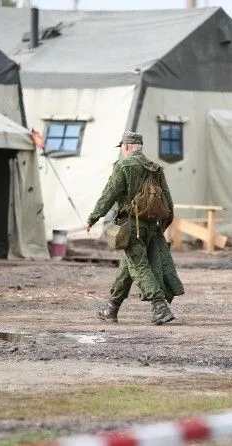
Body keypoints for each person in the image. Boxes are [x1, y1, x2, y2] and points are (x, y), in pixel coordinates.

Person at [85, 131, 179, 325]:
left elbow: (109, 194)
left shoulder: (123, 166)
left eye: (122, 148)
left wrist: (93, 218)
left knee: (139, 266)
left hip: (132, 226)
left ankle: (159, 307)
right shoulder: (155, 168)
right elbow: (168, 201)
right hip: (152, 227)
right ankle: (111, 309)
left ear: (126, 146)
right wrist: (163, 225)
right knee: (128, 267)